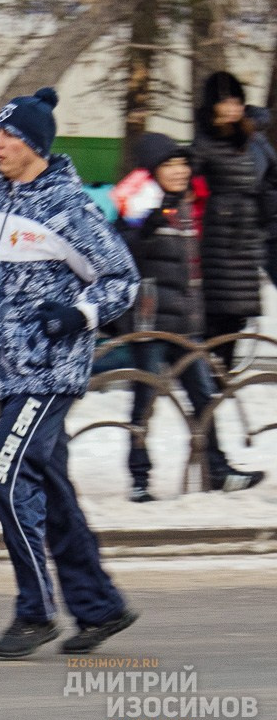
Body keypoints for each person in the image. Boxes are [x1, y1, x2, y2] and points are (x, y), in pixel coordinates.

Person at [0, 87, 139, 659]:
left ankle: (35, 612)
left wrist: (78, 314)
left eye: (8, 135)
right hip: (5, 372)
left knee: (2, 476)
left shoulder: (69, 207)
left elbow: (122, 279)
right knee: (52, 490)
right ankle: (100, 607)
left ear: (35, 145)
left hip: (48, 372)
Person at [112, 132, 265, 499]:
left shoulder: (184, 207)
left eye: (182, 164)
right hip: (151, 324)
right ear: (153, 170)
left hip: (186, 324)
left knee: (204, 399)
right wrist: (146, 228)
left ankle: (218, 470)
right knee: (144, 402)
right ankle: (139, 480)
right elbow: (121, 254)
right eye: (171, 165)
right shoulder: (139, 207)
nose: (180, 171)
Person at [190, 71, 267, 370]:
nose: (234, 108)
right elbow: (187, 175)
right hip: (222, 237)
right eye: (227, 102)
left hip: (246, 238)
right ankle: (210, 376)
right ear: (213, 105)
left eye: (238, 102)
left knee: (237, 316)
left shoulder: (247, 137)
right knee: (220, 313)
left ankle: (221, 376)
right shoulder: (205, 141)